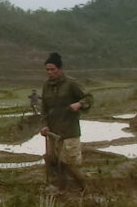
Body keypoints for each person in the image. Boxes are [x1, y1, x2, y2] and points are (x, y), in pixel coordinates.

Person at [32, 51, 92, 192]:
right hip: (53, 133)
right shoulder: (46, 86)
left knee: (70, 164)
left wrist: (79, 104)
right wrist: (44, 125)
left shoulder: (71, 84)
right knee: (56, 163)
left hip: (69, 131)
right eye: (47, 70)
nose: (50, 72)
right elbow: (44, 109)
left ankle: (86, 189)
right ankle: (61, 190)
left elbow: (89, 98)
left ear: (59, 69)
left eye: (52, 69)